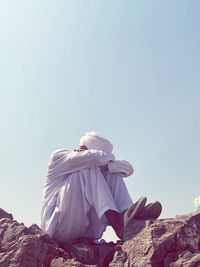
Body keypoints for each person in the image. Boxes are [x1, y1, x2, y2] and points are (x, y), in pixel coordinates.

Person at [41, 132, 162, 243]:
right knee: (88, 167)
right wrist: (106, 160)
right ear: (82, 148)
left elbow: (128, 169)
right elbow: (94, 158)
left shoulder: (95, 160)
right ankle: (117, 223)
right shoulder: (58, 156)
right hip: (59, 228)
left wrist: (108, 164)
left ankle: (128, 217)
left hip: (87, 232)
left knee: (111, 172)